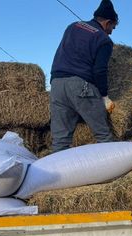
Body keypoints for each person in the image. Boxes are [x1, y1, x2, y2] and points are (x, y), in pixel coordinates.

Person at [49, 0, 119, 152]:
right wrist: (104, 96)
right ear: (108, 22)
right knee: (103, 135)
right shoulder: (103, 39)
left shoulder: (73, 26)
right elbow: (100, 70)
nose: (111, 32)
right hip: (81, 86)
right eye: (113, 27)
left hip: (57, 84)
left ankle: (57, 174)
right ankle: (113, 174)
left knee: (60, 141)